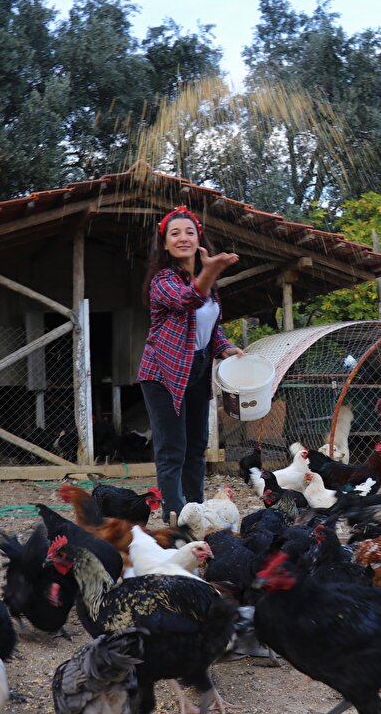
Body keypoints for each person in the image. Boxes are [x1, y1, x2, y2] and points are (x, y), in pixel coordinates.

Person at [138, 205, 243, 522]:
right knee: (173, 449)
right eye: (174, 233)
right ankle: (174, 516)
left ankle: (197, 514)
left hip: (197, 368)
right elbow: (187, 300)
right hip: (162, 374)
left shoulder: (206, 285)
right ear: (165, 244)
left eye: (189, 231)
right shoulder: (163, 281)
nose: (182, 237)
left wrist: (225, 348)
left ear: (199, 238)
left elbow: (209, 324)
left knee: (197, 446)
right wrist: (210, 272)